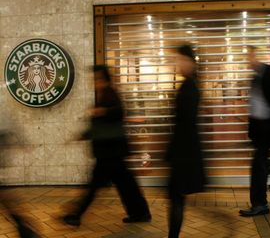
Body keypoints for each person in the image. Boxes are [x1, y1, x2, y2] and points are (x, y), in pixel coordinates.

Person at [63, 65, 151, 226]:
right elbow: (99, 125)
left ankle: (76, 215)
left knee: (96, 185)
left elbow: (119, 112)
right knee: (126, 184)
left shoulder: (110, 93)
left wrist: (102, 111)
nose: (94, 82)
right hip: (110, 151)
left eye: (97, 79)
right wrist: (84, 135)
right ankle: (140, 212)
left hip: (110, 151)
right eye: (94, 79)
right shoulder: (102, 95)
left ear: (104, 79)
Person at [239, 46, 270, 217]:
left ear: (257, 56)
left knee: (258, 166)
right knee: (261, 166)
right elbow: (253, 106)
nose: (248, 60)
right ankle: (261, 203)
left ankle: (259, 204)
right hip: (259, 131)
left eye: (250, 56)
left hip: (268, 129)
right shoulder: (254, 78)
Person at [165, 45, 206, 238]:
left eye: (180, 60)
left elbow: (185, 124)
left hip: (184, 152)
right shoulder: (190, 85)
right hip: (185, 150)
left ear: (190, 62)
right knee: (175, 197)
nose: (177, 64)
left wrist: (173, 151)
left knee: (176, 197)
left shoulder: (189, 87)